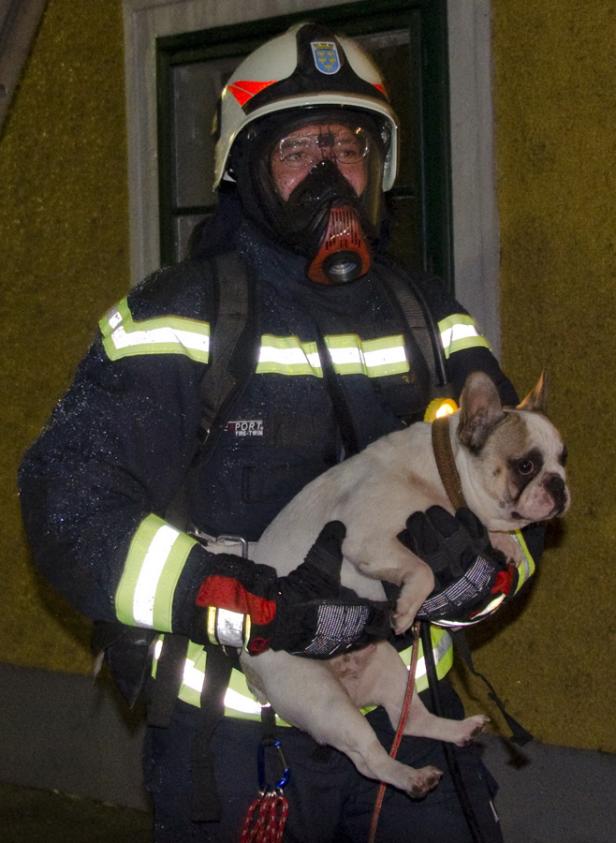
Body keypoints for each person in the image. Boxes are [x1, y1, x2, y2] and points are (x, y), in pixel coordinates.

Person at [19, 22, 542, 843]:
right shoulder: (180, 313)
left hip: (408, 724)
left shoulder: (430, 317)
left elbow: (524, 500)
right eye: (300, 148)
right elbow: (68, 502)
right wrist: (223, 594)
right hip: (241, 745)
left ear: (380, 168)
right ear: (247, 168)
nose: (329, 174)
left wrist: (482, 580)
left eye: (348, 146)